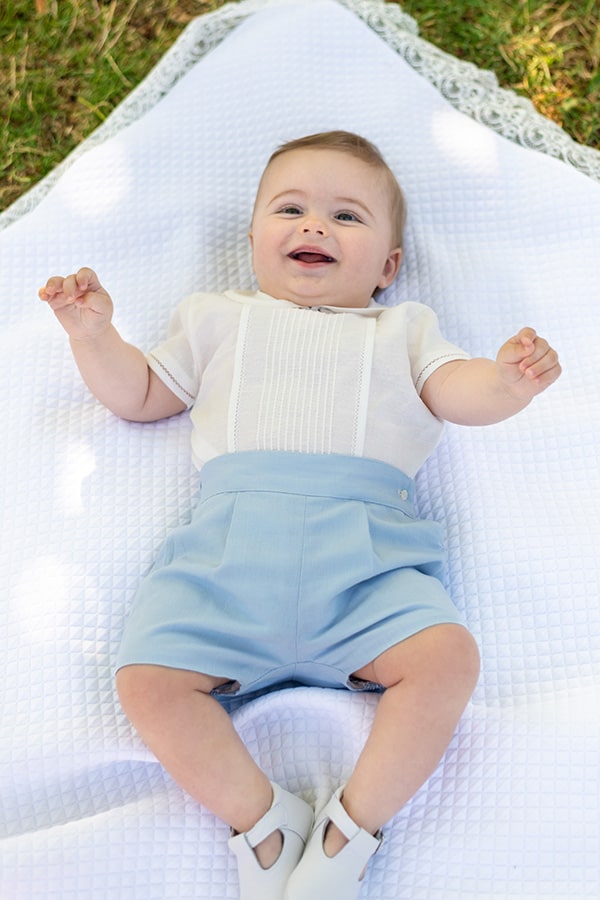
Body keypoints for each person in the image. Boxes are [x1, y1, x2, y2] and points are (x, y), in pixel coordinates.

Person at [39, 131, 561, 900]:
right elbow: (142, 395)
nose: (315, 226)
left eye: (347, 217)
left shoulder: (405, 330)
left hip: (367, 567)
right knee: (147, 680)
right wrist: (94, 335)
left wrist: (507, 383)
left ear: (387, 265)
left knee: (447, 660)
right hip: (226, 565)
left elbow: (458, 392)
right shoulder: (216, 318)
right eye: (291, 209)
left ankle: (351, 829)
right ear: (253, 239)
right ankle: (264, 821)